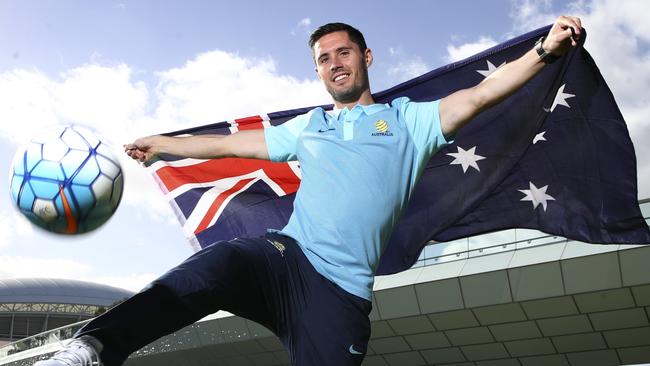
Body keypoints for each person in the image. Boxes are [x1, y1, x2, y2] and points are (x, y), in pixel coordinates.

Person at [35, 16, 582, 366]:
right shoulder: (309, 126)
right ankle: (92, 348)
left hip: (339, 296)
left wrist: (545, 50)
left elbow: (482, 94)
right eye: (323, 59)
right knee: (220, 265)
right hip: (286, 257)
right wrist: (165, 144)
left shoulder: (411, 121)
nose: (333, 65)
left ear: (365, 58)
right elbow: (234, 146)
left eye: (343, 53)